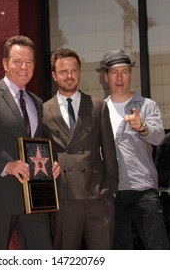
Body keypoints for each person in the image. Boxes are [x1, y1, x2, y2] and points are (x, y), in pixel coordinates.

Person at [0, 35, 60, 250]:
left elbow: (40, 143)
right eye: (17, 61)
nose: (24, 67)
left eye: (29, 62)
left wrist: (51, 163)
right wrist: (5, 166)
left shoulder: (36, 102)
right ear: (5, 64)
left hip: (34, 200)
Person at [42, 48, 119, 250]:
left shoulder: (97, 106)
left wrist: (110, 192)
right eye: (63, 71)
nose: (69, 76)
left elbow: (110, 152)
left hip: (97, 196)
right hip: (63, 197)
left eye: (74, 71)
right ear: (54, 75)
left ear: (80, 72)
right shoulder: (43, 110)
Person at [101, 49, 169, 250]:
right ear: (106, 77)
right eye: (114, 72)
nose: (119, 78)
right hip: (113, 192)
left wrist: (142, 126)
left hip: (143, 189)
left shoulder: (147, 105)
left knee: (157, 247)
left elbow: (158, 137)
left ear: (131, 75)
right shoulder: (99, 110)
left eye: (124, 71)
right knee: (120, 250)